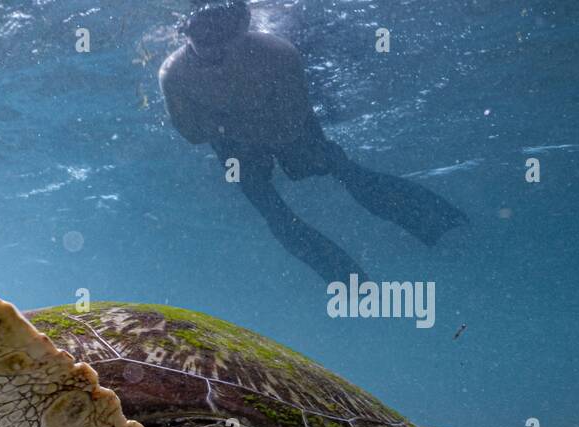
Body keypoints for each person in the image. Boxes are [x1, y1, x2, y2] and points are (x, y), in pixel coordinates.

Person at [158, 0, 467, 283]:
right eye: (204, 30)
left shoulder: (278, 53)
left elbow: (292, 121)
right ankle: (349, 280)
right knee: (271, 207)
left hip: (273, 129)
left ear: (243, 24)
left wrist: (235, 127)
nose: (216, 46)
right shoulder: (172, 74)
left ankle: (437, 225)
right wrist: (242, 135)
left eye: (224, 27)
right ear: (185, 30)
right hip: (237, 141)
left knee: (335, 168)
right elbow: (193, 135)